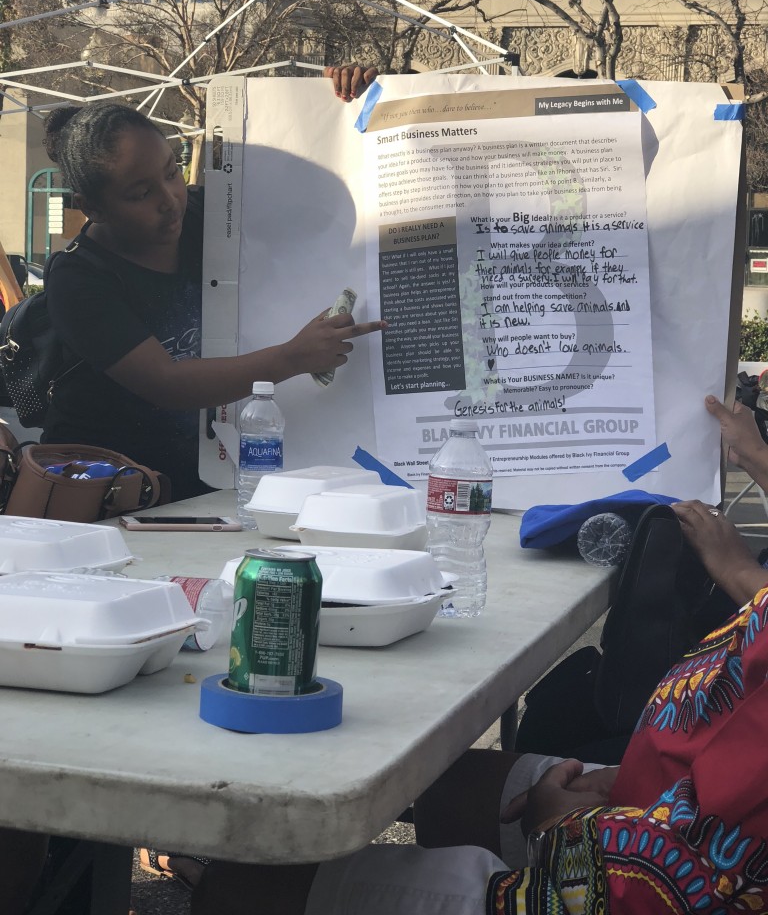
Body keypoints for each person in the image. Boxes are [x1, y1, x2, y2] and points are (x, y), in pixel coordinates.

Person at [189, 394, 768, 915]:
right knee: (455, 786)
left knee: (247, 887)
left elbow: (666, 882)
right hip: (673, 795)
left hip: (649, 879)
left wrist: (556, 826)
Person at [40, 66, 381, 501]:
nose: (170, 200)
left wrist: (351, 102)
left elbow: (308, 200)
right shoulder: (78, 278)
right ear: (93, 208)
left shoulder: (213, 214)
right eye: (140, 193)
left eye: (171, 171)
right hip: (110, 495)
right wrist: (291, 358)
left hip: (214, 484)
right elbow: (166, 382)